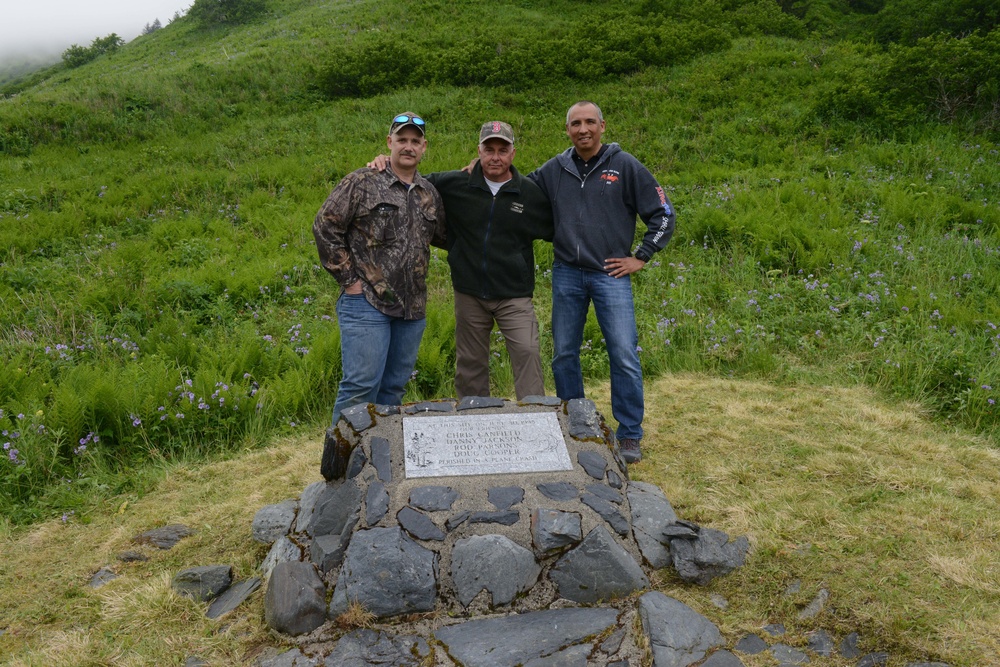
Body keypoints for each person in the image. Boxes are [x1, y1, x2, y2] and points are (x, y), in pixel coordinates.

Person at [530, 101, 675, 463]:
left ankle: (629, 435)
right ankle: (574, 423)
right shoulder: (554, 169)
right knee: (564, 354)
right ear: (567, 130)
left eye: (590, 122)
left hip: (611, 274)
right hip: (566, 273)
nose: (583, 129)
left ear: (602, 126)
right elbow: (516, 190)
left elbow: (663, 213)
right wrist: (477, 173)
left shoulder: (625, 166)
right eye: (576, 123)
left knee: (623, 354)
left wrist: (641, 256)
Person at [371, 121, 554, 400]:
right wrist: (385, 162)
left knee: (528, 352)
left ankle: (535, 416)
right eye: (488, 149)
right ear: (478, 150)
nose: (495, 157)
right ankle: (474, 418)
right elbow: (409, 181)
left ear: (513, 153)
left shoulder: (529, 193)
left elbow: (556, 230)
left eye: (502, 150)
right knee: (470, 363)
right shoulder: (453, 184)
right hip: (469, 292)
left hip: (515, 295)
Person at [313, 112, 446, 422]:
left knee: (393, 390)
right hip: (367, 303)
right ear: (390, 143)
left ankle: (378, 462)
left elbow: (443, 236)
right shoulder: (362, 181)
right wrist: (349, 281)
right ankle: (341, 467)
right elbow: (325, 226)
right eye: (402, 140)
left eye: (415, 141)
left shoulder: (430, 194)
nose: (408, 147)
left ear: (424, 147)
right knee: (360, 388)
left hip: (411, 310)